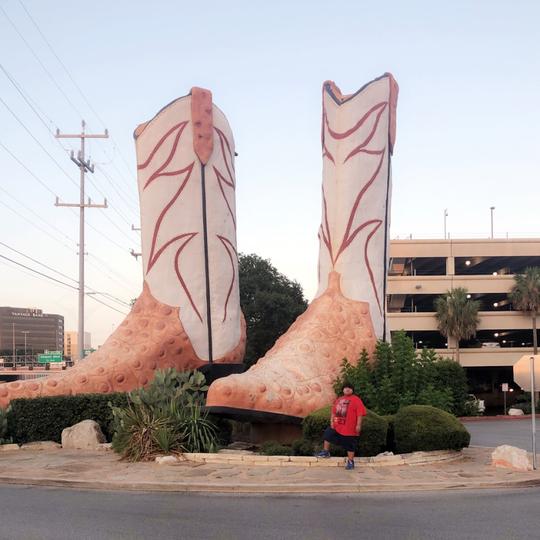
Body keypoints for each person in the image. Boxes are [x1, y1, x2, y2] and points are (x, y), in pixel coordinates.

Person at [315, 381, 367, 470]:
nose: (347, 389)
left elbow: (360, 414)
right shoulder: (339, 400)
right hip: (337, 426)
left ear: (352, 390)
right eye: (345, 387)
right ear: (343, 390)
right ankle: (326, 452)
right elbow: (333, 412)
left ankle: (350, 461)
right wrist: (331, 421)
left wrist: (358, 425)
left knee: (350, 445)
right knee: (327, 435)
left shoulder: (356, 400)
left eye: (349, 387)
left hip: (349, 428)